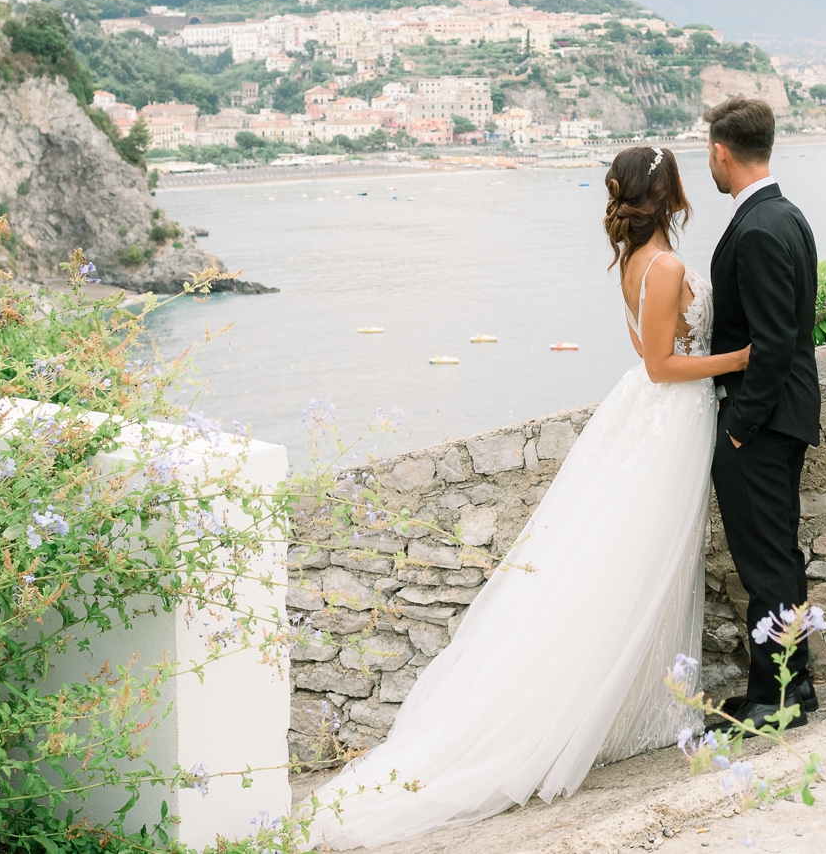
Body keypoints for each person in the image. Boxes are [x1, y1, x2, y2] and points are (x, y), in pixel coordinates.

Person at [313, 145, 748, 849]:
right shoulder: (664, 266)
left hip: (651, 416)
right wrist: (742, 357)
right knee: (643, 561)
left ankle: (635, 703)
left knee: (642, 562)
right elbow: (662, 363)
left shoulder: (636, 260)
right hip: (671, 415)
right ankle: (622, 709)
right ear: (668, 196)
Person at [703, 95, 822, 730]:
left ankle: (778, 700)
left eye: (709, 155)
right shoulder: (787, 215)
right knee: (775, 557)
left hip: (765, 420)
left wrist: (740, 429)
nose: (710, 165)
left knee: (766, 561)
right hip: (783, 414)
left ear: (722, 152)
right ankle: (784, 689)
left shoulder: (755, 227)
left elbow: (773, 345)